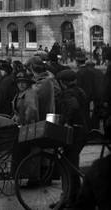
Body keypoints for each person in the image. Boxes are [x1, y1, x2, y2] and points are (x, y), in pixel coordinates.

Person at [56, 69, 90, 207]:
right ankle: (72, 197)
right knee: (71, 163)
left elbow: (73, 106)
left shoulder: (68, 94)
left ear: (63, 83)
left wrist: (67, 122)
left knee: (67, 164)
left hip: (75, 132)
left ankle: (69, 198)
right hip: (83, 131)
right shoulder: (80, 91)